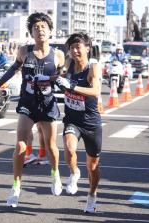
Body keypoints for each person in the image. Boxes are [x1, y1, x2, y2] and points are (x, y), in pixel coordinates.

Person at [0, 12, 65, 207]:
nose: (40, 30)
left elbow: (63, 79)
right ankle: (16, 186)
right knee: (20, 145)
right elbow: (13, 70)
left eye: (43, 27)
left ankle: (55, 174)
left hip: (47, 104)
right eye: (35, 28)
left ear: (50, 31)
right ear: (31, 32)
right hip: (28, 103)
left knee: (52, 147)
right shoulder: (24, 51)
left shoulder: (59, 55)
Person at [56, 33, 102, 213]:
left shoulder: (93, 67)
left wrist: (72, 86)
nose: (75, 51)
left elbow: (96, 90)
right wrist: (55, 80)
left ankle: (92, 195)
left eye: (78, 47)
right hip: (72, 120)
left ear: (87, 48)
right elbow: (60, 81)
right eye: (71, 47)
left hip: (91, 122)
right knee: (68, 146)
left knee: (93, 166)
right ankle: (74, 172)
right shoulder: (68, 65)